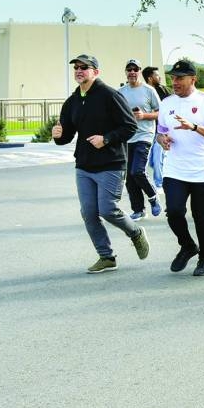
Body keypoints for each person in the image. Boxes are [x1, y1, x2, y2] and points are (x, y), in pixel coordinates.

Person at [53, 54, 149, 273]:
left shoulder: (110, 95)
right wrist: (58, 135)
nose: (79, 70)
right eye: (76, 67)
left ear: (95, 72)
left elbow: (130, 126)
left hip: (111, 163)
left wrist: (105, 139)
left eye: (84, 67)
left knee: (107, 210)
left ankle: (135, 232)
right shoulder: (73, 101)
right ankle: (106, 257)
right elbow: (66, 136)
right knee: (88, 213)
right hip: (84, 165)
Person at [156, 59, 204, 277]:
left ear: (193, 79)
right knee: (174, 212)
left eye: (179, 78)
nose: (174, 82)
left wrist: (194, 127)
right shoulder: (166, 103)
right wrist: (162, 139)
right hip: (175, 169)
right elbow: (160, 132)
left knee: (202, 217)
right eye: (173, 78)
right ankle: (187, 246)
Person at [118, 59, 162, 220]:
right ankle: (138, 210)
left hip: (144, 135)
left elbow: (160, 112)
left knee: (137, 170)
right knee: (129, 177)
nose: (132, 72)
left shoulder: (149, 90)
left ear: (139, 71)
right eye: (129, 69)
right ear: (125, 72)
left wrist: (144, 115)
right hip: (127, 137)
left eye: (135, 69)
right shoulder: (120, 92)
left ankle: (153, 196)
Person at [142, 65, 170, 190]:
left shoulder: (164, 91)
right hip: (147, 130)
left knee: (158, 157)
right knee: (151, 161)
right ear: (150, 78)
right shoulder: (143, 91)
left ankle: (159, 183)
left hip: (161, 129)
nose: (159, 77)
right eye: (157, 75)